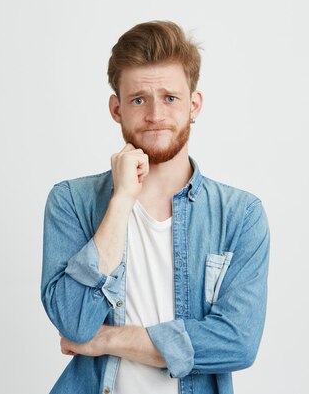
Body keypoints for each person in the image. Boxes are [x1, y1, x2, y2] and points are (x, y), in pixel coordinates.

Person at [41, 20, 270, 394]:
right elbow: (75, 322)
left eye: (170, 97)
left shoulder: (240, 216)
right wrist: (121, 201)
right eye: (138, 100)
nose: (155, 115)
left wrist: (107, 340)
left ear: (194, 105)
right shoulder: (72, 202)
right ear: (116, 109)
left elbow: (238, 343)